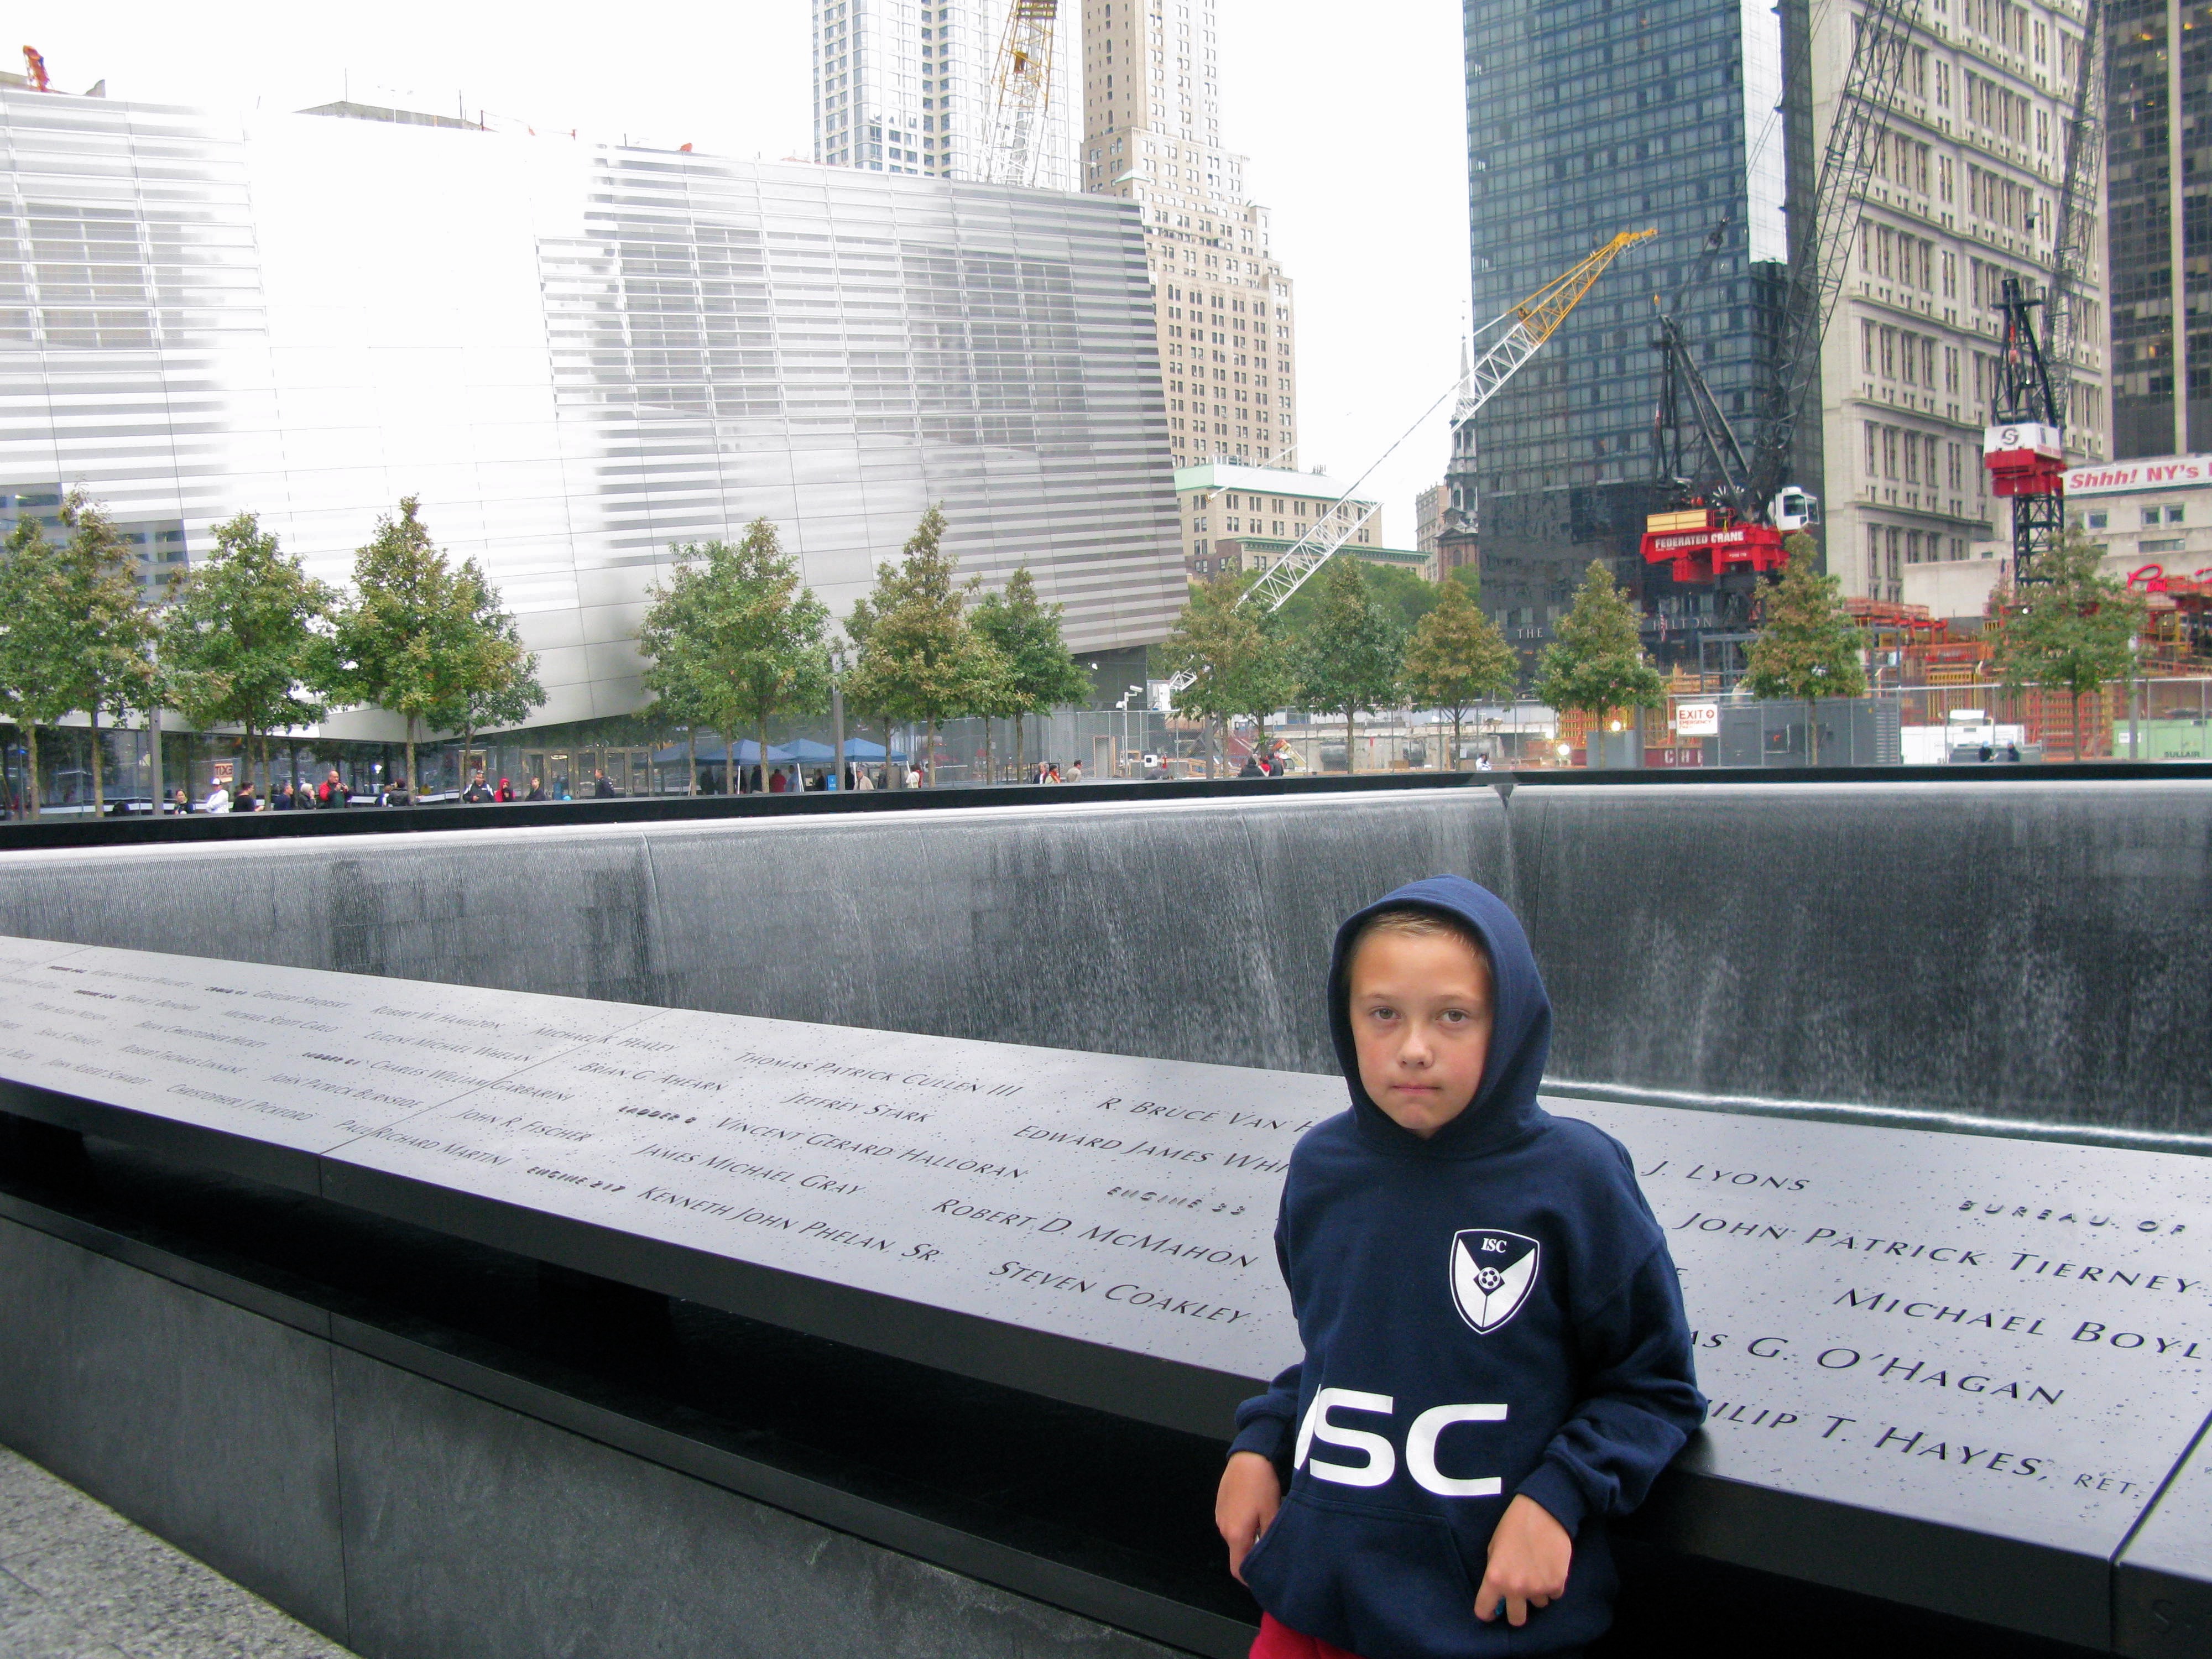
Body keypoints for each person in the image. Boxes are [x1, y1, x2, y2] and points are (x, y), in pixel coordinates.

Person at [1216, 876, 1703, 1659]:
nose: (1413, 1047)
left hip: (1485, 1620)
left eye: (1453, 1016)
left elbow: (1654, 1388)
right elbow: (1340, 1352)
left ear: (1507, 1021)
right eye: (1383, 1014)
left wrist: (1557, 1500)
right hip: (1312, 1604)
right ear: (1347, 1020)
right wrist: (1261, 1441)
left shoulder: (1576, 1180)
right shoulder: (1321, 1169)